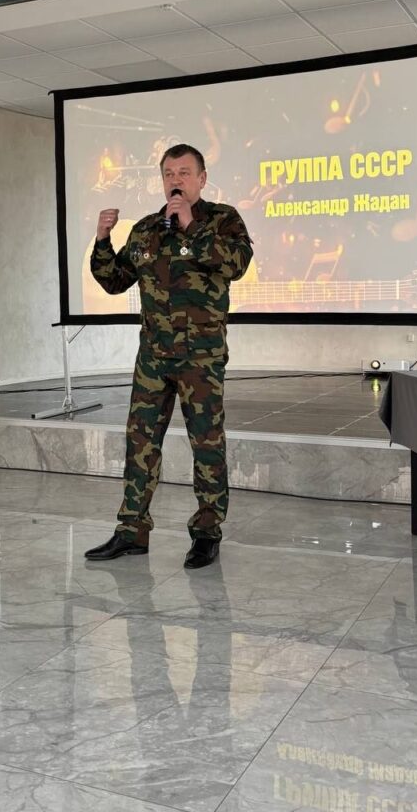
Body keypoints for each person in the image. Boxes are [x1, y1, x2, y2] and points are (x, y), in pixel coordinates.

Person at [84, 143, 254, 569]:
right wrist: (103, 240)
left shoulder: (223, 220)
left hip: (201, 358)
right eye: (168, 174)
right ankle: (131, 531)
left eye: (184, 173)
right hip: (153, 358)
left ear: (202, 179)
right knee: (140, 443)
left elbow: (237, 264)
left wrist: (191, 226)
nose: (175, 181)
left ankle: (206, 533)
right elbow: (115, 281)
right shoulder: (146, 230)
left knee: (207, 443)